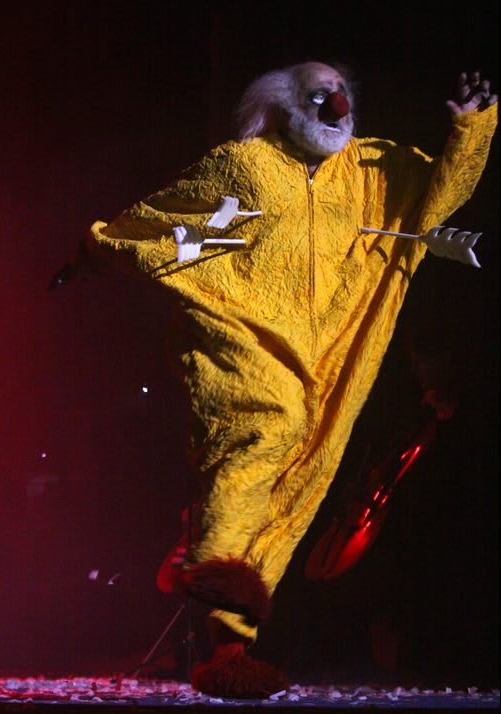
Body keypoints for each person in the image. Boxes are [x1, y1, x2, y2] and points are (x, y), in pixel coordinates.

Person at [53, 62, 497, 697]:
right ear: (284, 107)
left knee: (300, 476)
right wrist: (91, 253)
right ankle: (212, 574)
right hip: (239, 334)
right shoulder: (244, 166)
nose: (338, 107)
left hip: (326, 357)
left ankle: (231, 638)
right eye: (320, 95)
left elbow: (440, 195)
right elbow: (161, 216)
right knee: (268, 427)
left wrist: (469, 128)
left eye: (343, 95)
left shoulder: (374, 168)